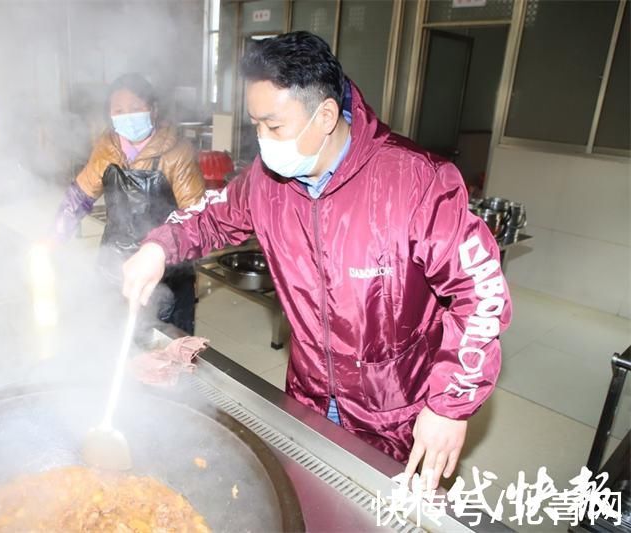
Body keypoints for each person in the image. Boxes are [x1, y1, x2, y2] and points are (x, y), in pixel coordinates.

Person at [122, 32, 512, 488]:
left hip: (398, 411)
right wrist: (159, 246)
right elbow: (211, 216)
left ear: (326, 115)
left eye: (275, 126)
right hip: (307, 393)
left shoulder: (416, 182)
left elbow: (480, 293)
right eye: (256, 126)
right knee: (309, 499)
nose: (263, 142)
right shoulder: (267, 181)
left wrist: (448, 405)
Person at [53, 73, 205, 335]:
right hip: (114, 268)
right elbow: (80, 196)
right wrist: (54, 236)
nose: (128, 116)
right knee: (111, 340)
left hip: (164, 273)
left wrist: (161, 251)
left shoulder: (177, 152)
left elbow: (197, 217)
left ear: (153, 110)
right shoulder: (106, 148)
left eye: (136, 109)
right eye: (119, 111)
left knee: (164, 350)